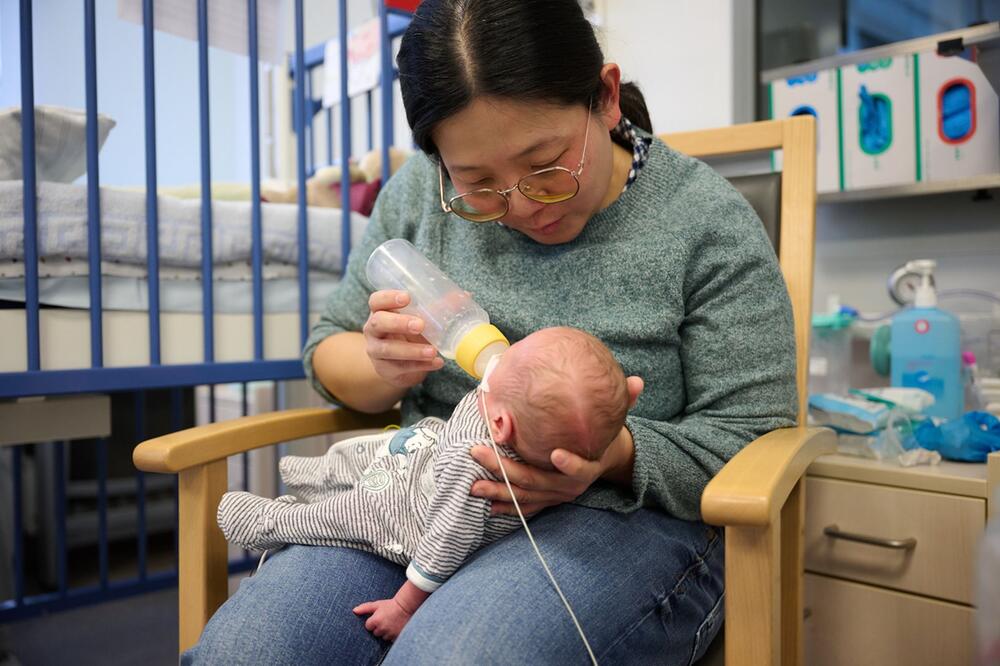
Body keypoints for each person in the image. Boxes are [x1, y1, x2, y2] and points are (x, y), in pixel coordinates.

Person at [185, 1, 797, 663]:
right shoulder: (419, 195)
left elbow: (752, 434)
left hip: (622, 517)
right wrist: (380, 362)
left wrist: (610, 454)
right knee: (250, 652)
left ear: (607, 97)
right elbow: (327, 350)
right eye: (477, 184)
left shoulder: (702, 222)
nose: (523, 207)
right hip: (416, 499)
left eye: (546, 165)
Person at [215, 326, 632, 642]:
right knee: (366, 452)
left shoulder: (476, 474)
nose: (501, 353)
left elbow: (444, 542)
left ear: (501, 425)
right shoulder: (514, 416)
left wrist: (404, 604)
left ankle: (273, 520)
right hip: (423, 454)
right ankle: (316, 475)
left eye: (509, 359)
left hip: (405, 516)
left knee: (341, 515)